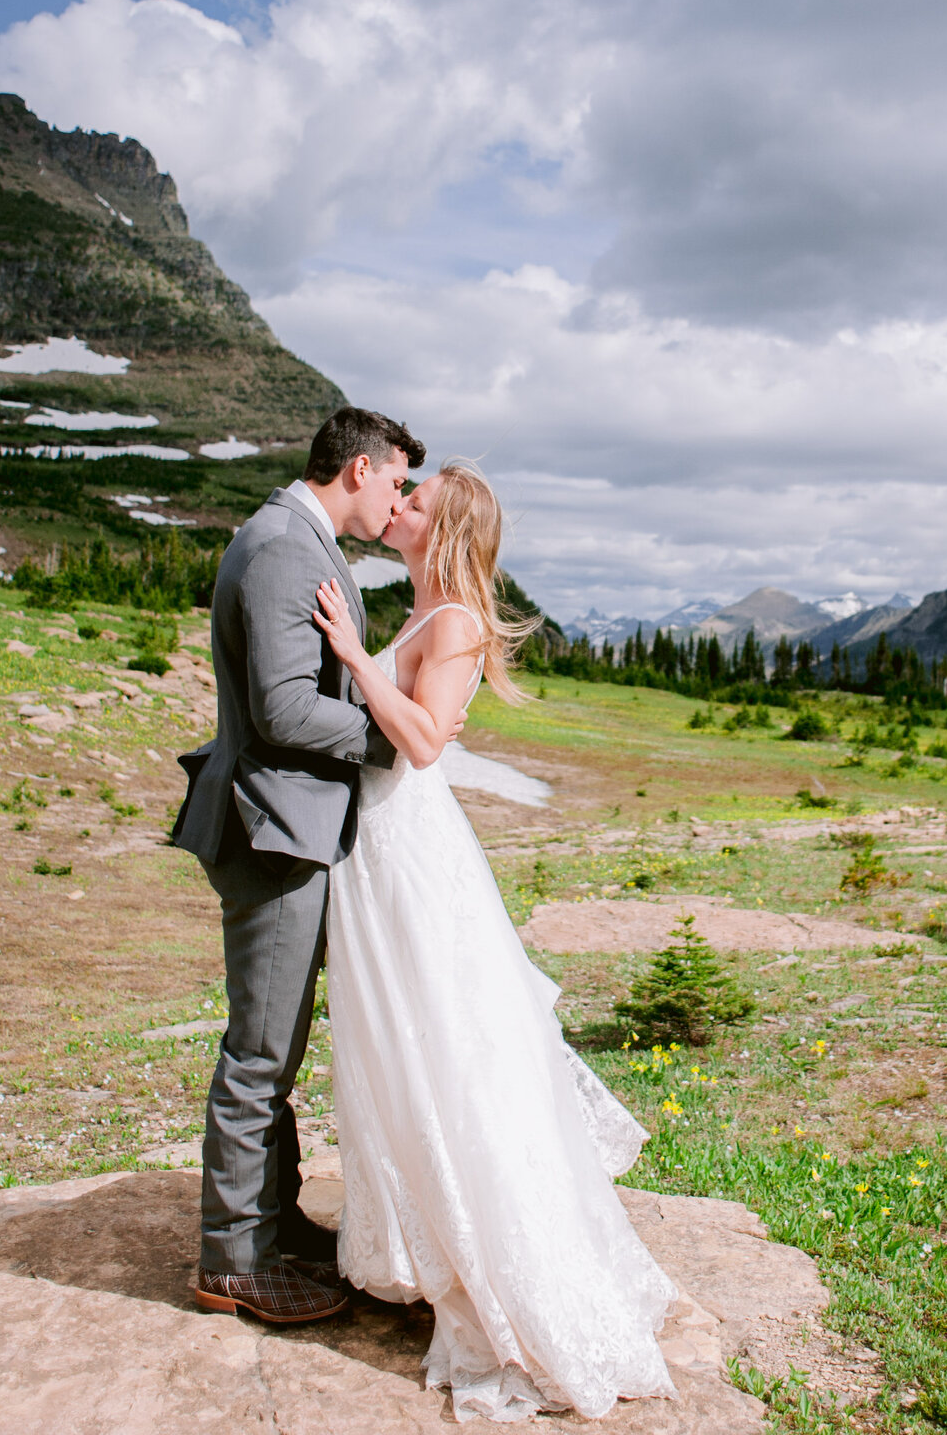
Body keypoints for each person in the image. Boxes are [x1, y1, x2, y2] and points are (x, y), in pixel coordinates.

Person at [310, 459, 677, 1422]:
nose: (399, 506)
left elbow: (426, 742)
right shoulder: (427, 612)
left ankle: (497, 1268)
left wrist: (352, 658)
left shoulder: (457, 621)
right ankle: (433, 1242)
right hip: (380, 850)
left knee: (448, 1045)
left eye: (415, 500)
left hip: (412, 850)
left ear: (445, 524)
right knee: (403, 1043)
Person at [169, 406, 421, 1325]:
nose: (399, 501)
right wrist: (392, 738)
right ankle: (232, 1262)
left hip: (289, 825)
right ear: (358, 470)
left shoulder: (296, 537)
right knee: (260, 1053)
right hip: (273, 826)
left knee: (277, 1043)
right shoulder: (285, 547)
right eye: (396, 480)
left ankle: (269, 1224)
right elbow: (281, 711)